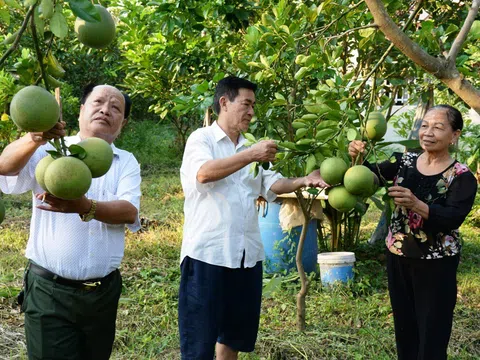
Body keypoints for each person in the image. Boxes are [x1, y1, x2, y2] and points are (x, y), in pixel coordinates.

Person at [179, 76, 327, 360]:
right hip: (207, 254)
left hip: (246, 256)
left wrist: (304, 179)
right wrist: (250, 155)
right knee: (198, 341)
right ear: (224, 102)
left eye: (253, 106)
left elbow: (272, 185)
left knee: (233, 337)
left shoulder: (251, 146)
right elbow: (203, 173)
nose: (251, 112)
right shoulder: (202, 139)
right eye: (246, 104)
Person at [0, 84, 142, 359]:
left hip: (103, 294)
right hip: (49, 292)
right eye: (98, 102)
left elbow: (129, 212)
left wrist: (84, 206)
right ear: (80, 111)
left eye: (116, 108)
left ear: (122, 123)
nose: (105, 110)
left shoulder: (125, 162)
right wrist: (35, 138)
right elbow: (5, 165)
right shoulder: (48, 151)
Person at [349, 105, 477, 360]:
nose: (428, 132)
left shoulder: (461, 176)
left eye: (438, 127)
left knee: (432, 331)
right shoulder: (402, 162)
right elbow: (368, 176)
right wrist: (355, 157)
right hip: (398, 257)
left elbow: (453, 218)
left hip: (436, 264)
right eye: (425, 125)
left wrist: (416, 204)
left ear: (454, 135)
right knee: (405, 328)